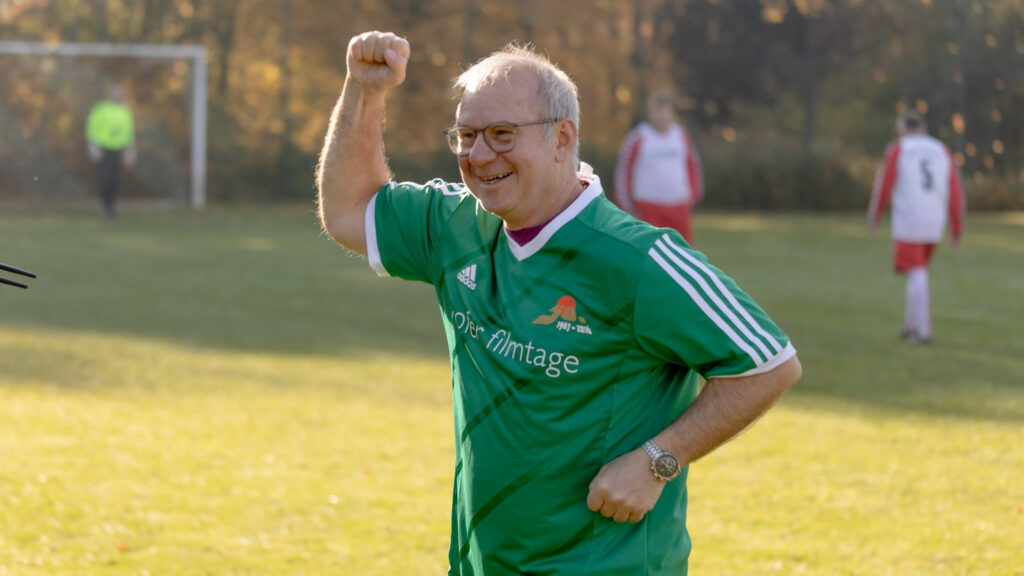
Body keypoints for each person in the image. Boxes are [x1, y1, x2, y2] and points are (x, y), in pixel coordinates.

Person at [316, 31, 802, 575]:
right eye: (467, 135)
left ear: (562, 138)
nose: (479, 155)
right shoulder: (455, 225)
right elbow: (347, 210)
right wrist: (364, 90)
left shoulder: (638, 259)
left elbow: (769, 362)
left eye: (502, 134)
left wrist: (657, 460)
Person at [868, 109, 965, 345]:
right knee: (917, 271)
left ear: (902, 129)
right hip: (935, 221)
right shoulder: (941, 149)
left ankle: (924, 331)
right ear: (923, 128)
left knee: (917, 272)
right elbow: (955, 189)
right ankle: (909, 325)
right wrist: (956, 225)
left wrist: (875, 214)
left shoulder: (899, 148)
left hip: (910, 220)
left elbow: (885, 182)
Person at [613, 90, 704, 244]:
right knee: (650, 252)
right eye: (657, 110)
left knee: (683, 251)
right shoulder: (638, 136)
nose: (661, 116)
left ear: (672, 113)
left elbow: (693, 165)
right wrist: (625, 203)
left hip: (679, 207)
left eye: (665, 111)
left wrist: (694, 194)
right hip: (648, 206)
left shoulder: (681, 135)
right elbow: (623, 171)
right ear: (650, 112)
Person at [86, 83, 136, 218]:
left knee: (115, 180)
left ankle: (111, 206)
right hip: (103, 149)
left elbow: (129, 133)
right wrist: (93, 146)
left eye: (120, 92)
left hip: (118, 150)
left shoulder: (125, 111)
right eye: (115, 92)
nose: (117, 95)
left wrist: (129, 151)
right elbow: (92, 127)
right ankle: (105, 205)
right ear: (110, 93)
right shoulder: (101, 109)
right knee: (105, 178)